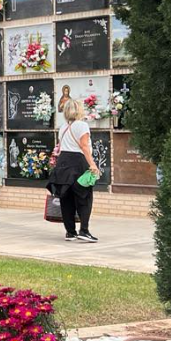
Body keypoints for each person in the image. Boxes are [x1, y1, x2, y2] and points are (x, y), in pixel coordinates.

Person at [47, 98, 100, 242]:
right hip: (78, 164)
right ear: (79, 110)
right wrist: (93, 165)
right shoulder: (82, 125)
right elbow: (84, 146)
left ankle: (70, 232)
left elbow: (61, 146)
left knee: (66, 198)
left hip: (63, 163)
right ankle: (84, 230)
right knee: (84, 197)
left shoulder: (63, 127)